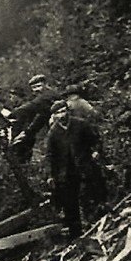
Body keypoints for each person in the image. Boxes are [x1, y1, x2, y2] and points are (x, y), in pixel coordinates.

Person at [46, 97, 104, 235]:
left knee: (91, 194)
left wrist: (96, 151)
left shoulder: (80, 124)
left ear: (68, 111)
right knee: (70, 203)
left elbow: (96, 139)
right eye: (58, 113)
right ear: (54, 116)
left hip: (85, 166)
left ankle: (98, 222)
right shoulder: (53, 133)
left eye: (63, 111)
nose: (62, 115)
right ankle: (77, 233)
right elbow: (50, 156)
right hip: (66, 172)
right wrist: (51, 175)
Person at [5, 74, 60, 162]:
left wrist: (10, 115)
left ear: (45, 84)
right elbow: (41, 118)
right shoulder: (44, 99)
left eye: (38, 86)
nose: (36, 90)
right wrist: (28, 132)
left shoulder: (48, 95)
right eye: (34, 88)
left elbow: (31, 106)